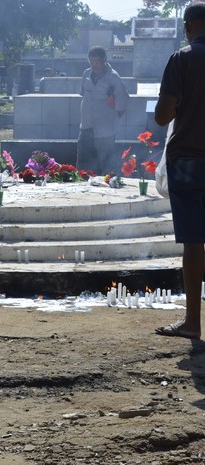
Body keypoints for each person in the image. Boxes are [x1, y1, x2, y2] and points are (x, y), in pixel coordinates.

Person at [153, 2, 205, 340]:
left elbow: (162, 116)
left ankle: (192, 322)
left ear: (187, 27)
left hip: (188, 160)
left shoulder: (182, 59)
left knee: (194, 242)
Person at [76, 46, 130, 175]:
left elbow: (123, 102)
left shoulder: (113, 77)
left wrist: (111, 120)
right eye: (92, 61)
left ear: (104, 60)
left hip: (105, 130)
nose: (95, 65)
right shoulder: (86, 74)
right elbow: (83, 94)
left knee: (106, 163)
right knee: (83, 161)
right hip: (86, 125)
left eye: (98, 61)